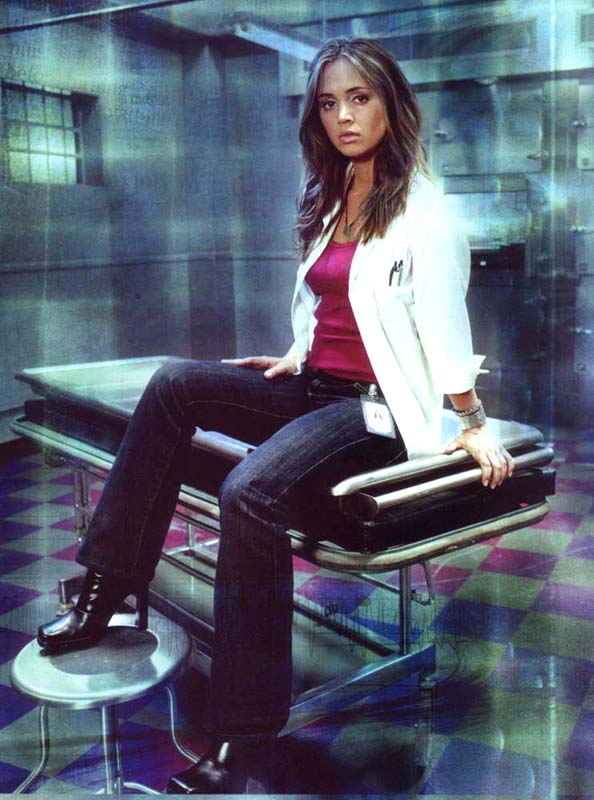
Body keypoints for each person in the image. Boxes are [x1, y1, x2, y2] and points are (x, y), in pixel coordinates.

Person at [37, 37, 513, 794]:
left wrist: (472, 419)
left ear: (391, 102)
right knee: (174, 384)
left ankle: (245, 729)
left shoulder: (425, 210)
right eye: (328, 103)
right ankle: (108, 589)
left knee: (249, 491)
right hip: (316, 386)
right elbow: (331, 302)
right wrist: (296, 354)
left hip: (377, 413)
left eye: (359, 98)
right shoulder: (334, 192)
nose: (343, 116)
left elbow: (442, 324)